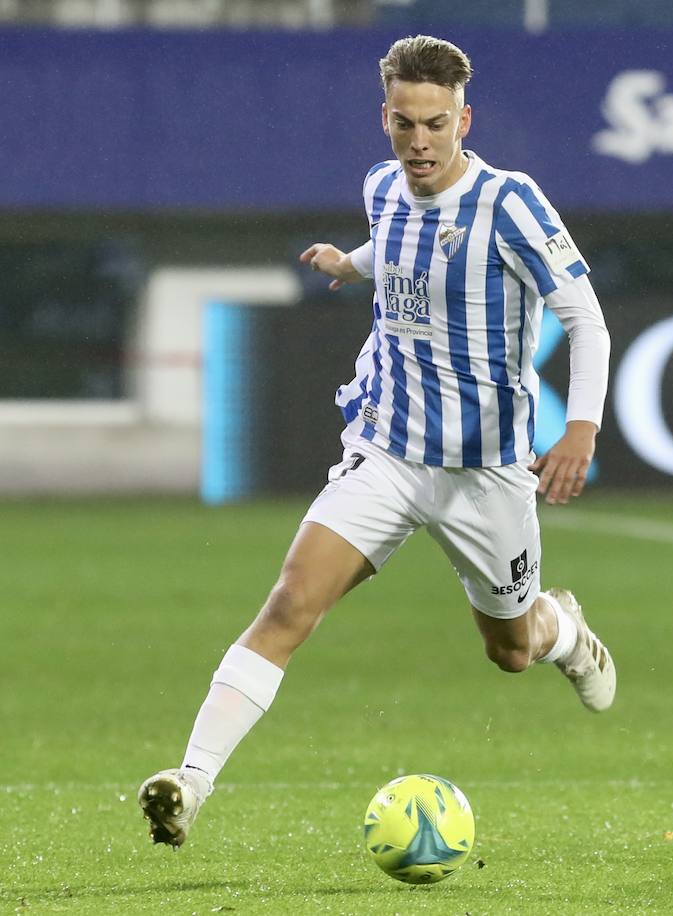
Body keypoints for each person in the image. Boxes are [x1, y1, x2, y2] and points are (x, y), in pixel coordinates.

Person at [139, 34, 616, 848]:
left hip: (485, 473)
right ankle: (189, 783)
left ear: (465, 119)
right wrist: (350, 264)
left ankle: (565, 632)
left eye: (436, 124)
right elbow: (395, 245)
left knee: (509, 650)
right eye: (404, 124)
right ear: (385, 116)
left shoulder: (511, 203)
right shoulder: (380, 188)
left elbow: (585, 317)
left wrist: (580, 428)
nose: (420, 142)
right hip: (388, 449)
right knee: (290, 602)